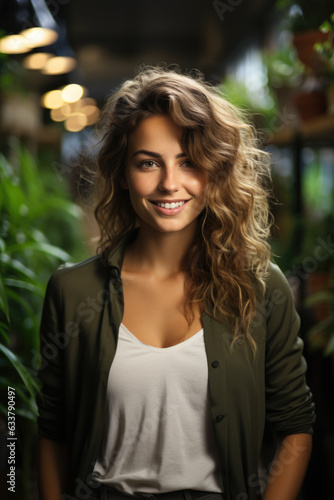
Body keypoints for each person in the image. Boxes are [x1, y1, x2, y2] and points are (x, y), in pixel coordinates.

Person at [37, 67, 315, 500]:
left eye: (189, 162)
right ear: (123, 172)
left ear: (216, 170)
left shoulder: (260, 289)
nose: (170, 183)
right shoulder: (73, 293)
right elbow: (48, 429)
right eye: (149, 162)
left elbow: (296, 429)